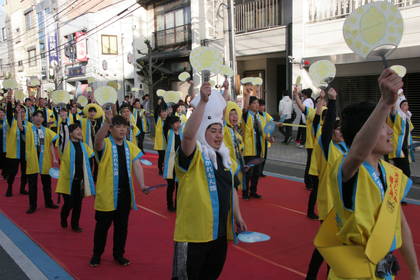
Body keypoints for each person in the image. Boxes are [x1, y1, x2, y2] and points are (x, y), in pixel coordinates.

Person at [315, 69, 420, 279]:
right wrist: (384, 102)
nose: (390, 132)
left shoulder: (392, 173)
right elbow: (358, 153)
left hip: (384, 271)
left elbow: (400, 223)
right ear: (367, 132)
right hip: (354, 272)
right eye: (383, 126)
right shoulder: (346, 168)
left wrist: (415, 272)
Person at [171, 81, 247, 280]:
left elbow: (231, 189)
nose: (218, 135)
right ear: (202, 132)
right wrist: (203, 103)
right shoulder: (193, 155)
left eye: (220, 131)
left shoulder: (224, 157)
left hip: (219, 234)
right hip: (193, 236)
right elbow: (187, 137)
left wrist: (238, 216)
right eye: (212, 131)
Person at [90, 110, 149, 267]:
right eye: (118, 126)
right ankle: (96, 255)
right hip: (107, 194)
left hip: (125, 195)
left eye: (125, 126)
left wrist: (142, 185)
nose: (123, 129)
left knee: (122, 228)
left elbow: (137, 165)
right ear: (111, 129)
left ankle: (118, 254)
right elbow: (97, 142)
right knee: (102, 228)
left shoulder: (130, 146)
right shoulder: (106, 144)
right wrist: (106, 122)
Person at [305, 88, 348, 280]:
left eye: (341, 129)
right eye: (336, 129)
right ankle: (315, 275)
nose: (338, 132)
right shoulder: (327, 146)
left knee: (331, 244)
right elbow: (328, 123)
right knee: (327, 245)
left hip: (343, 207)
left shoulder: (346, 148)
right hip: (330, 205)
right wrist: (332, 101)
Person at [17, 109, 59, 214]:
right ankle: (32, 205)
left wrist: (54, 157)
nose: (39, 118)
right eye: (37, 116)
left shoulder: (47, 131)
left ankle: (48, 202)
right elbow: (20, 126)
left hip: (44, 160)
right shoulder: (28, 129)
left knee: (47, 184)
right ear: (32, 118)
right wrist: (18, 113)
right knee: (32, 185)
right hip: (32, 160)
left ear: (43, 119)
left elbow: (50, 145)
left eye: (41, 116)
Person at [56, 123, 95, 232]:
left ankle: (75, 224)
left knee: (78, 205)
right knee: (69, 204)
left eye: (80, 129)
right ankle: (63, 217)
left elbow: (91, 158)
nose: (79, 131)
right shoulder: (66, 145)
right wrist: (64, 122)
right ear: (71, 132)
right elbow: (61, 138)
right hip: (68, 181)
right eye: (76, 129)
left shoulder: (84, 146)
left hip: (80, 181)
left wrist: (88, 176)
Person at [294, 88, 322, 191]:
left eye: (323, 102)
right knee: (310, 164)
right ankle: (309, 183)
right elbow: (301, 107)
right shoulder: (312, 112)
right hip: (312, 144)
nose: (321, 104)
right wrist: (296, 95)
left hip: (323, 145)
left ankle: (317, 182)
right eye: (319, 101)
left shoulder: (327, 113)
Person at [241, 83, 266, 199]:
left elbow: (263, 131)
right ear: (250, 105)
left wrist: (269, 137)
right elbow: (244, 109)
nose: (257, 105)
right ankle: (245, 193)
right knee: (248, 172)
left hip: (259, 148)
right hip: (249, 150)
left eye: (257, 103)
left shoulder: (259, 117)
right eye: (254, 103)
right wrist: (246, 95)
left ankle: (253, 191)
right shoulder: (246, 116)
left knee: (256, 172)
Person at [5, 92, 29, 196]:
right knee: (12, 172)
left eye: (23, 111)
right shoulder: (11, 122)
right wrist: (9, 101)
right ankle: (9, 188)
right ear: (16, 113)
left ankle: (22, 188)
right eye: (20, 111)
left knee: (25, 172)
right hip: (14, 152)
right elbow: (9, 113)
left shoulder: (29, 124)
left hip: (25, 152)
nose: (22, 113)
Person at [388, 97, 415, 178]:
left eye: (407, 104)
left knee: (401, 172)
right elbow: (393, 111)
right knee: (406, 173)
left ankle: (398, 188)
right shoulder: (395, 115)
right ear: (398, 106)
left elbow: (408, 133)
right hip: (398, 149)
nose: (407, 107)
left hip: (405, 148)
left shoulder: (406, 117)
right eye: (404, 105)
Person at [223, 101, 245, 192]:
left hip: (235, 166)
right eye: (231, 114)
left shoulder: (235, 131)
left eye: (236, 114)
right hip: (227, 167)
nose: (234, 116)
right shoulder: (224, 129)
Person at [163, 115, 182, 212]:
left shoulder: (181, 132)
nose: (178, 124)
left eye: (179, 122)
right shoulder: (169, 132)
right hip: (171, 163)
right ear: (171, 125)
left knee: (179, 186)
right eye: (176, 122)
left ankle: (178, 204)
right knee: (171, 186)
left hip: (179, 163)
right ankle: (169, 204)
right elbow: (165, 125)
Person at [257, 99, 274, 177]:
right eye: (261, 105)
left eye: (264, 105)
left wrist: (278, 123)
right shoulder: (256, 115)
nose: (263, 107)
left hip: (265, 139)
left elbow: (271, 121)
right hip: (258, 140)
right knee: (258, 157)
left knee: (264, 156)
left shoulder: (265, 114)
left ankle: (261, 172)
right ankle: (256, 172)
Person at [154, 103, 168, 175]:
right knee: (161, 157)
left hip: (168, 142)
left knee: (167, 157)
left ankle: (166, 169)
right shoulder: (158, 119)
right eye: (162, 112)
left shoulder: (169, 120)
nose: (164, 113)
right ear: (159, 113)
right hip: (160, 143)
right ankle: (160, 169)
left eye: (165, 111)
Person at [0, 108, 7, 179]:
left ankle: (4, 173)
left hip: (6, 144)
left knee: (5, 159)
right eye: (0, 112)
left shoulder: (7, 122)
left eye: (2, 112)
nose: (1, 114)